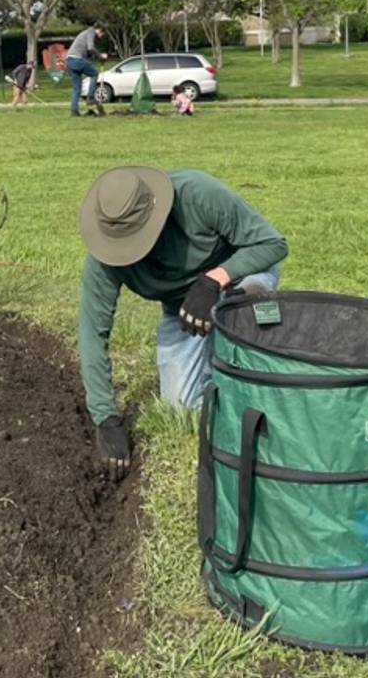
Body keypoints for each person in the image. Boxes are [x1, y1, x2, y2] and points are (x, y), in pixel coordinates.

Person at [76, 166, 288, 477]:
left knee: (241, 314)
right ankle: (218, 374)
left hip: (238, 280)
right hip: (182, 312)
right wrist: (106, 418)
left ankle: (255, 341)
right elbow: (92, 333)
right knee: (180, 408)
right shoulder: (105, 259)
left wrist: (214, 280)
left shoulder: (198, 195)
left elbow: (272, 244)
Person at [65, 25, 108, 117]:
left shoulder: (85, 34)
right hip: (76, 60)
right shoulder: (91, 32)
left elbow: (87, 51)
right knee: (94, 74)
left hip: (69, 61)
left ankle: (74, 111)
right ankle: (90, 97)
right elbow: (91, 48)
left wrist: (97, 57)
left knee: (77, 89)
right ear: (100, 30)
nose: (101, 37)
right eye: (102, 34)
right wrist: (100, 56)